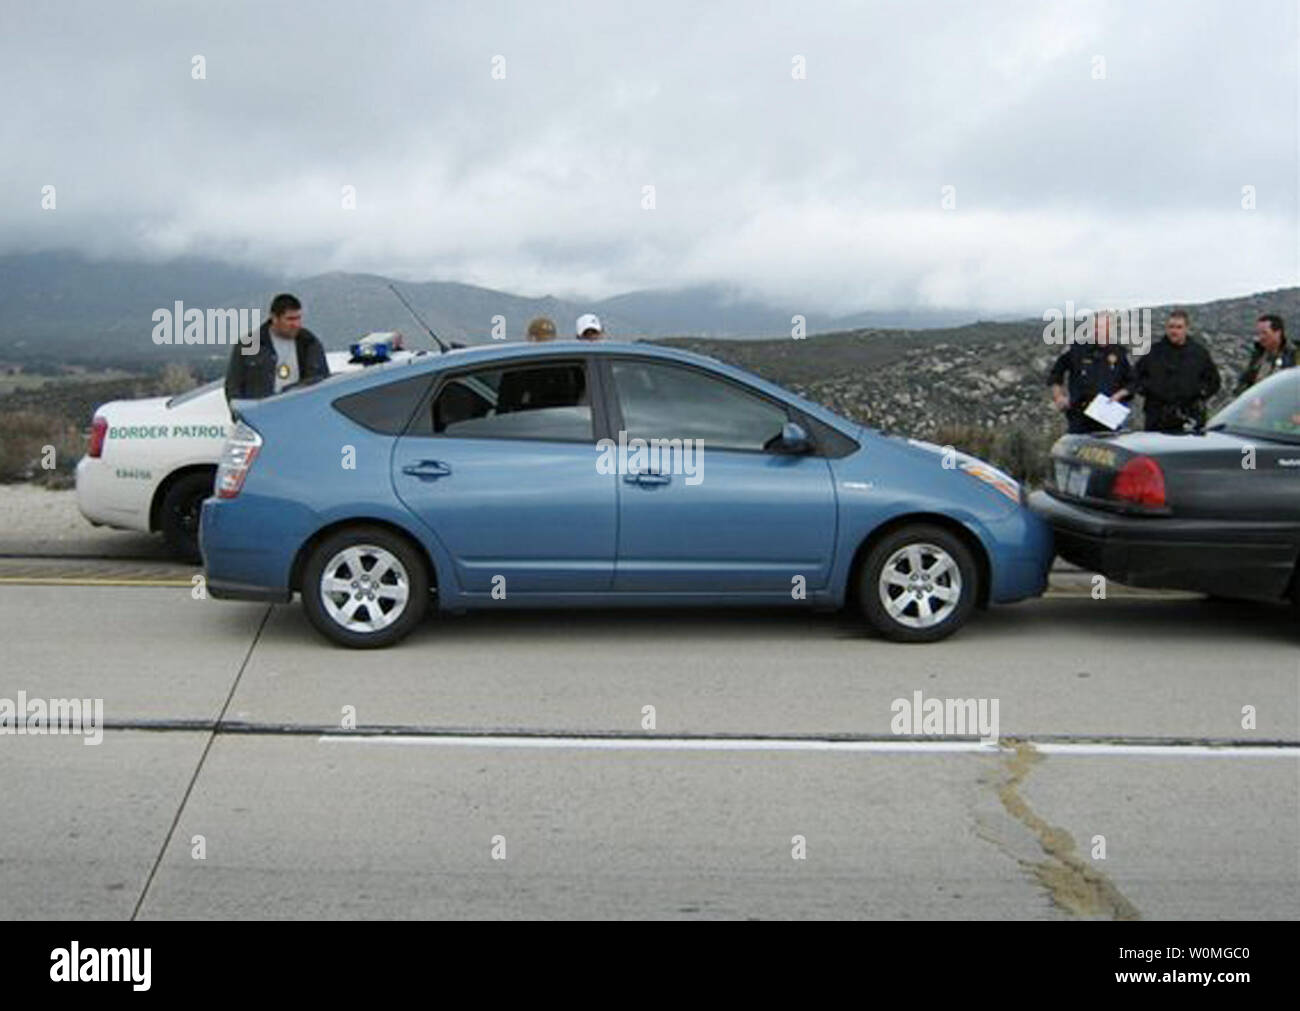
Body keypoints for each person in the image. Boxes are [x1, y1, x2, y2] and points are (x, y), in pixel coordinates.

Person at [225, 293, 328, 401]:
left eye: (298, 318)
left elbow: (324, 382)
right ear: (274, 318)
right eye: (290, 319)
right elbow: (233, 386)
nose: (296, 324)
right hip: (261, 414)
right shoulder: (249, 344)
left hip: (300, 412)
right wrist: (238, 415)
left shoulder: (310, 343)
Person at [1134, 309, 1221, 432]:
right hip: (1157, 418)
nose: (1174, 331)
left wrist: (1200, 394)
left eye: (1179, 327)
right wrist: (1149, 390)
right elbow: (1136, 376)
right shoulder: (1153, 352)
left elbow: (1214, 381)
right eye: (1171, 327)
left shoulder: (1199, 354)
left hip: (1190, 416)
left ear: (1186, 328)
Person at [1047, 310, 1134, 433]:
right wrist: (1058, 396)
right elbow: (1056, 373)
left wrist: (1119, 395)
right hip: (1080, 417)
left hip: (1109, 417)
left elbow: (1133, 382)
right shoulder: (1076, 349)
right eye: (1097, 327)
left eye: (1105, 327)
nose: (1100, 331)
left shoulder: (1120, 352)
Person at [1234, 313, 1296, 394]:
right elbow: (1245, 381)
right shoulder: (1258, 356)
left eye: (1265, 333)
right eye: (1259, 333)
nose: (1261, 337)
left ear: (1278, 332)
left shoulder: (1294, 354)